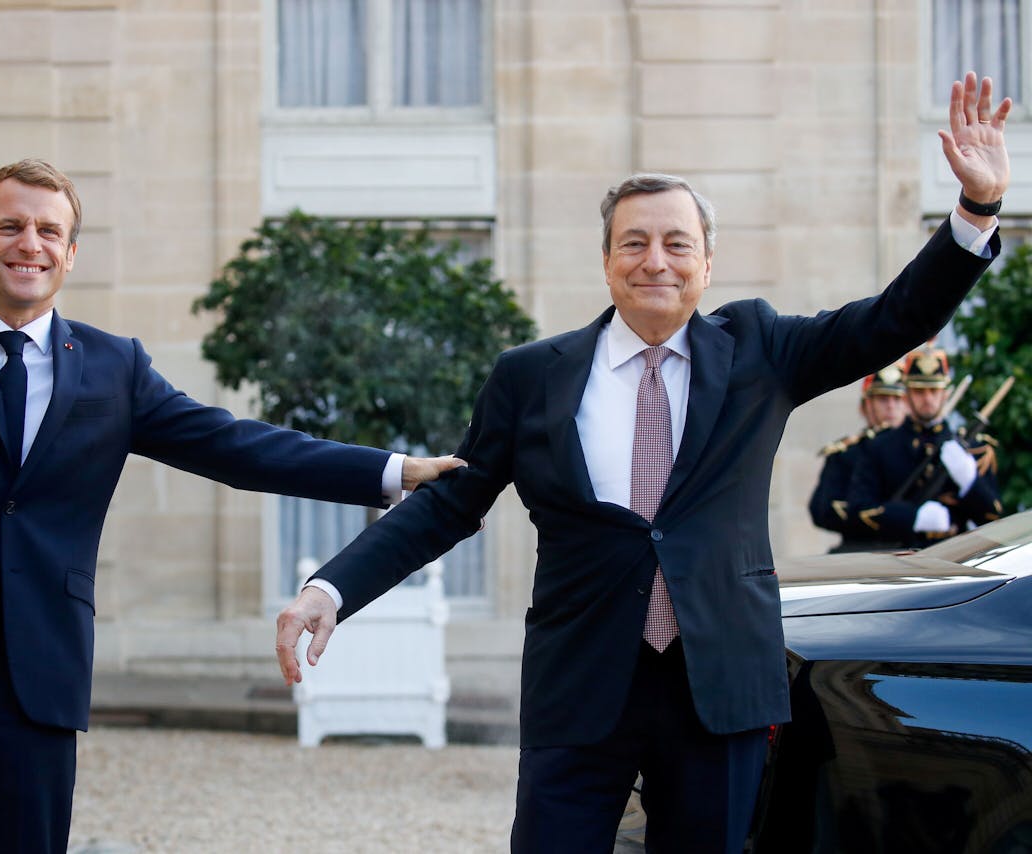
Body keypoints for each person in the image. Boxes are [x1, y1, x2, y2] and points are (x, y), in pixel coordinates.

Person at [274, 72, 1011, 853]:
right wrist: (334, 587)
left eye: (675, 243)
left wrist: (975, 211)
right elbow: (451, 503)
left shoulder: (763, 350)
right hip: (581, 683)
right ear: (606, 260)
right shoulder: (531, 375)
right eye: (634, 242)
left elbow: (892, 319)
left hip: (718, 685)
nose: (655, 260)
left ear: (707, 262)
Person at [0, 144, 462, 853]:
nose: (29, 244)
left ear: (70, 255)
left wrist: (394, 470)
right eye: (10, 227)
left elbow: (236, 446)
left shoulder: (115, 368)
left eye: (48, 231)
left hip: (32, 671)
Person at [847, 344, 1003, 549]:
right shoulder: (880, 446)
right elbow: (857, 511)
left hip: (956, 563)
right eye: (919, 391)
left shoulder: (974, 449)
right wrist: (912, 517)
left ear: (945, 393)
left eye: (934, 390)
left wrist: (970, 482)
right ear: (907, 394)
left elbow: (995, 519)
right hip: (898, 564)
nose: (928, 399)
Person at [807, 361, 908, 552]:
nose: (891, 407)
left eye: (898, 399)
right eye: (883, 399)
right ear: (866, 406)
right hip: (860, 549)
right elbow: (821, 510)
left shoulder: (918, 450)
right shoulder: (847, 453)